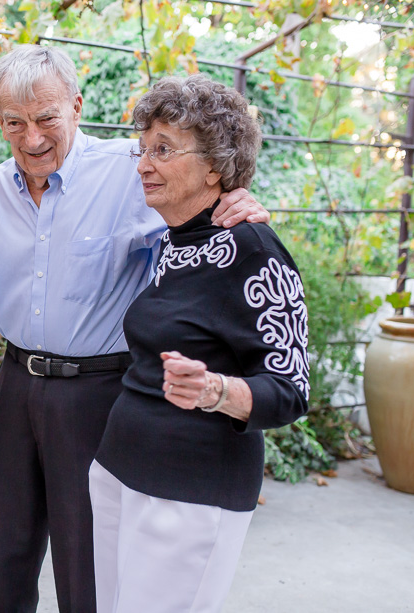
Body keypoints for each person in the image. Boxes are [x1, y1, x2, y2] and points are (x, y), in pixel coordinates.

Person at [0, 44, 270, 613]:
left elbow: (199, 203)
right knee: (2, 554)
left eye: (47, 118)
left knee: (89, 564)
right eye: (14, 122)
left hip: (102, 392)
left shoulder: (133, 173)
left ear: (76, 106)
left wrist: (237, 200)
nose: (31, 138)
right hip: (17, 385)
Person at [89, 74, 309, 612]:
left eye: (163, 149)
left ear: (215, 166)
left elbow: (291, 388)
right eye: (143, 149)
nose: (143, 163)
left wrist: (213, 390)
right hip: (121, 473)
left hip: (190, 493)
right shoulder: (175, 240)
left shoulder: (254, 248)